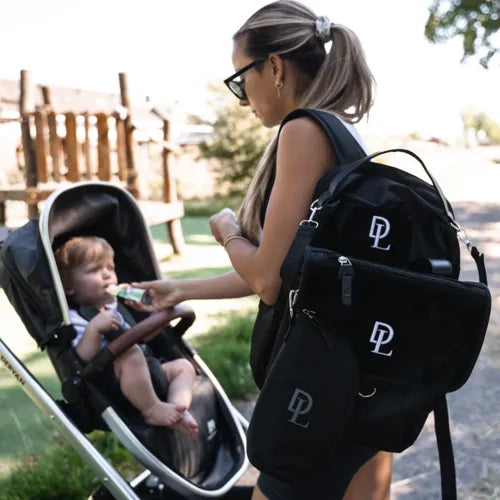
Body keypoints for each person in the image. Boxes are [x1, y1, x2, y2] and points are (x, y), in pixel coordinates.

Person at [130, 1, 392, 497]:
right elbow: (287, 269)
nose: (241, 98)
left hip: (319, 377)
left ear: (274, 67)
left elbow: (268, 280)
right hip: (364, 368)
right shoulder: (346, 130)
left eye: (239, 79)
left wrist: (228, 231)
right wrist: (178, 289)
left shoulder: (303, 130)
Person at [54, 236, 198, 439]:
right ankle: (152, 409)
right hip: (116, 382)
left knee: (184, 367)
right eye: (94, 270)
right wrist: (94, 330)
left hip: (147, 371)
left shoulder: (117, 305)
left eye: (110, 268)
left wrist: (152, 329)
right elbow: (84, 357)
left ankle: (177, 407)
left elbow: (138, 338)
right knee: (129, 353)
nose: (106, 276)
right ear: (69, 286)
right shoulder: (75, 318)